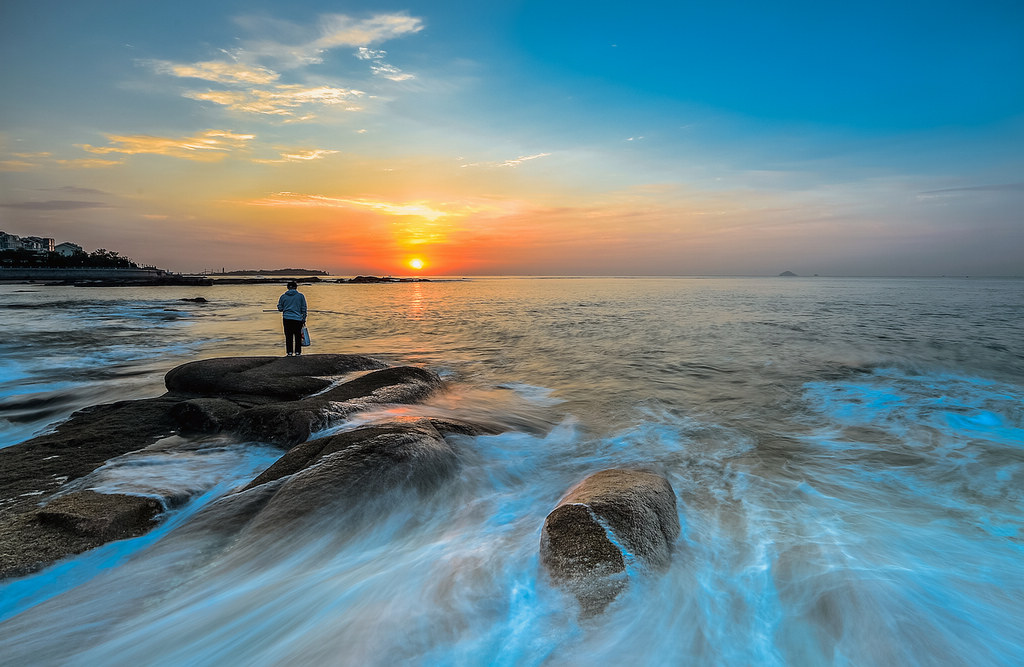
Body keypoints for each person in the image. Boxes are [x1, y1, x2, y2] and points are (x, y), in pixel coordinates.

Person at [276, 281, 307, 356]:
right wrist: (304, 317)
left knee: (288, 336)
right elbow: (304, 308)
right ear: (296, 287)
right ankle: (297, 352)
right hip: (297, 319)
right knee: (297, 336)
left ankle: (289, 352)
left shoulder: (283, 296)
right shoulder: (300, 296)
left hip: (287, 318)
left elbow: (280, 308)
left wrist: (284, 308)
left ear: (287, 287)